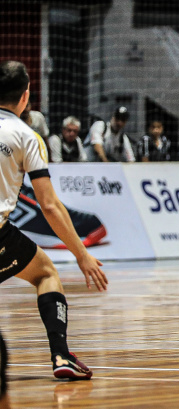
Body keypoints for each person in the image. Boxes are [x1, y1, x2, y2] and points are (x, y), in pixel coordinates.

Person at [0, 60, 108, 379]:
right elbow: (49, 205)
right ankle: (61, 357)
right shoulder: (26, 136)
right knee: (46, 273)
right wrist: (82, 254)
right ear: (25, 97)